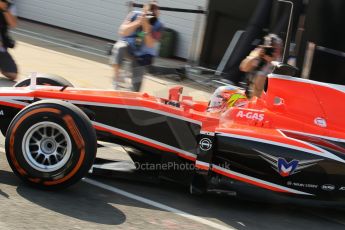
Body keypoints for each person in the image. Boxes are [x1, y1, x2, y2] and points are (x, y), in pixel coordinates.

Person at [110, 1, 163, 91]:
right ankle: (116, 80)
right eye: (148, 11)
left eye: (154, 12)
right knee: (119, 47)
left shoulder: (158, 25)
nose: (150, 15)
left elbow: (150, 44)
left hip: (141, 55)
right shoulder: (134, 15)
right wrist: (138, 22)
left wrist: (147, 28)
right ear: (144, 10)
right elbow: (122, 32)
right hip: (128, 47)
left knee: (136, 89)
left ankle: (131, 87)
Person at [240, 34, 283, 98]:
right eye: (270, 48)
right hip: (251, 94)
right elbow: (244, 68)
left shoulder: (283, 60)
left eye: (275, 49)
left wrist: (272, 61)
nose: (273, 51)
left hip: (270, 96)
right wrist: (257, 56)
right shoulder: (259, 55)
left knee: (261, 76)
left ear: (280, 49)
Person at [0, 0, 17, 81]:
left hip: (1, 46)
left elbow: (13, 24)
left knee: (13, 74)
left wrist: (4, 10)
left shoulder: (9, 6)